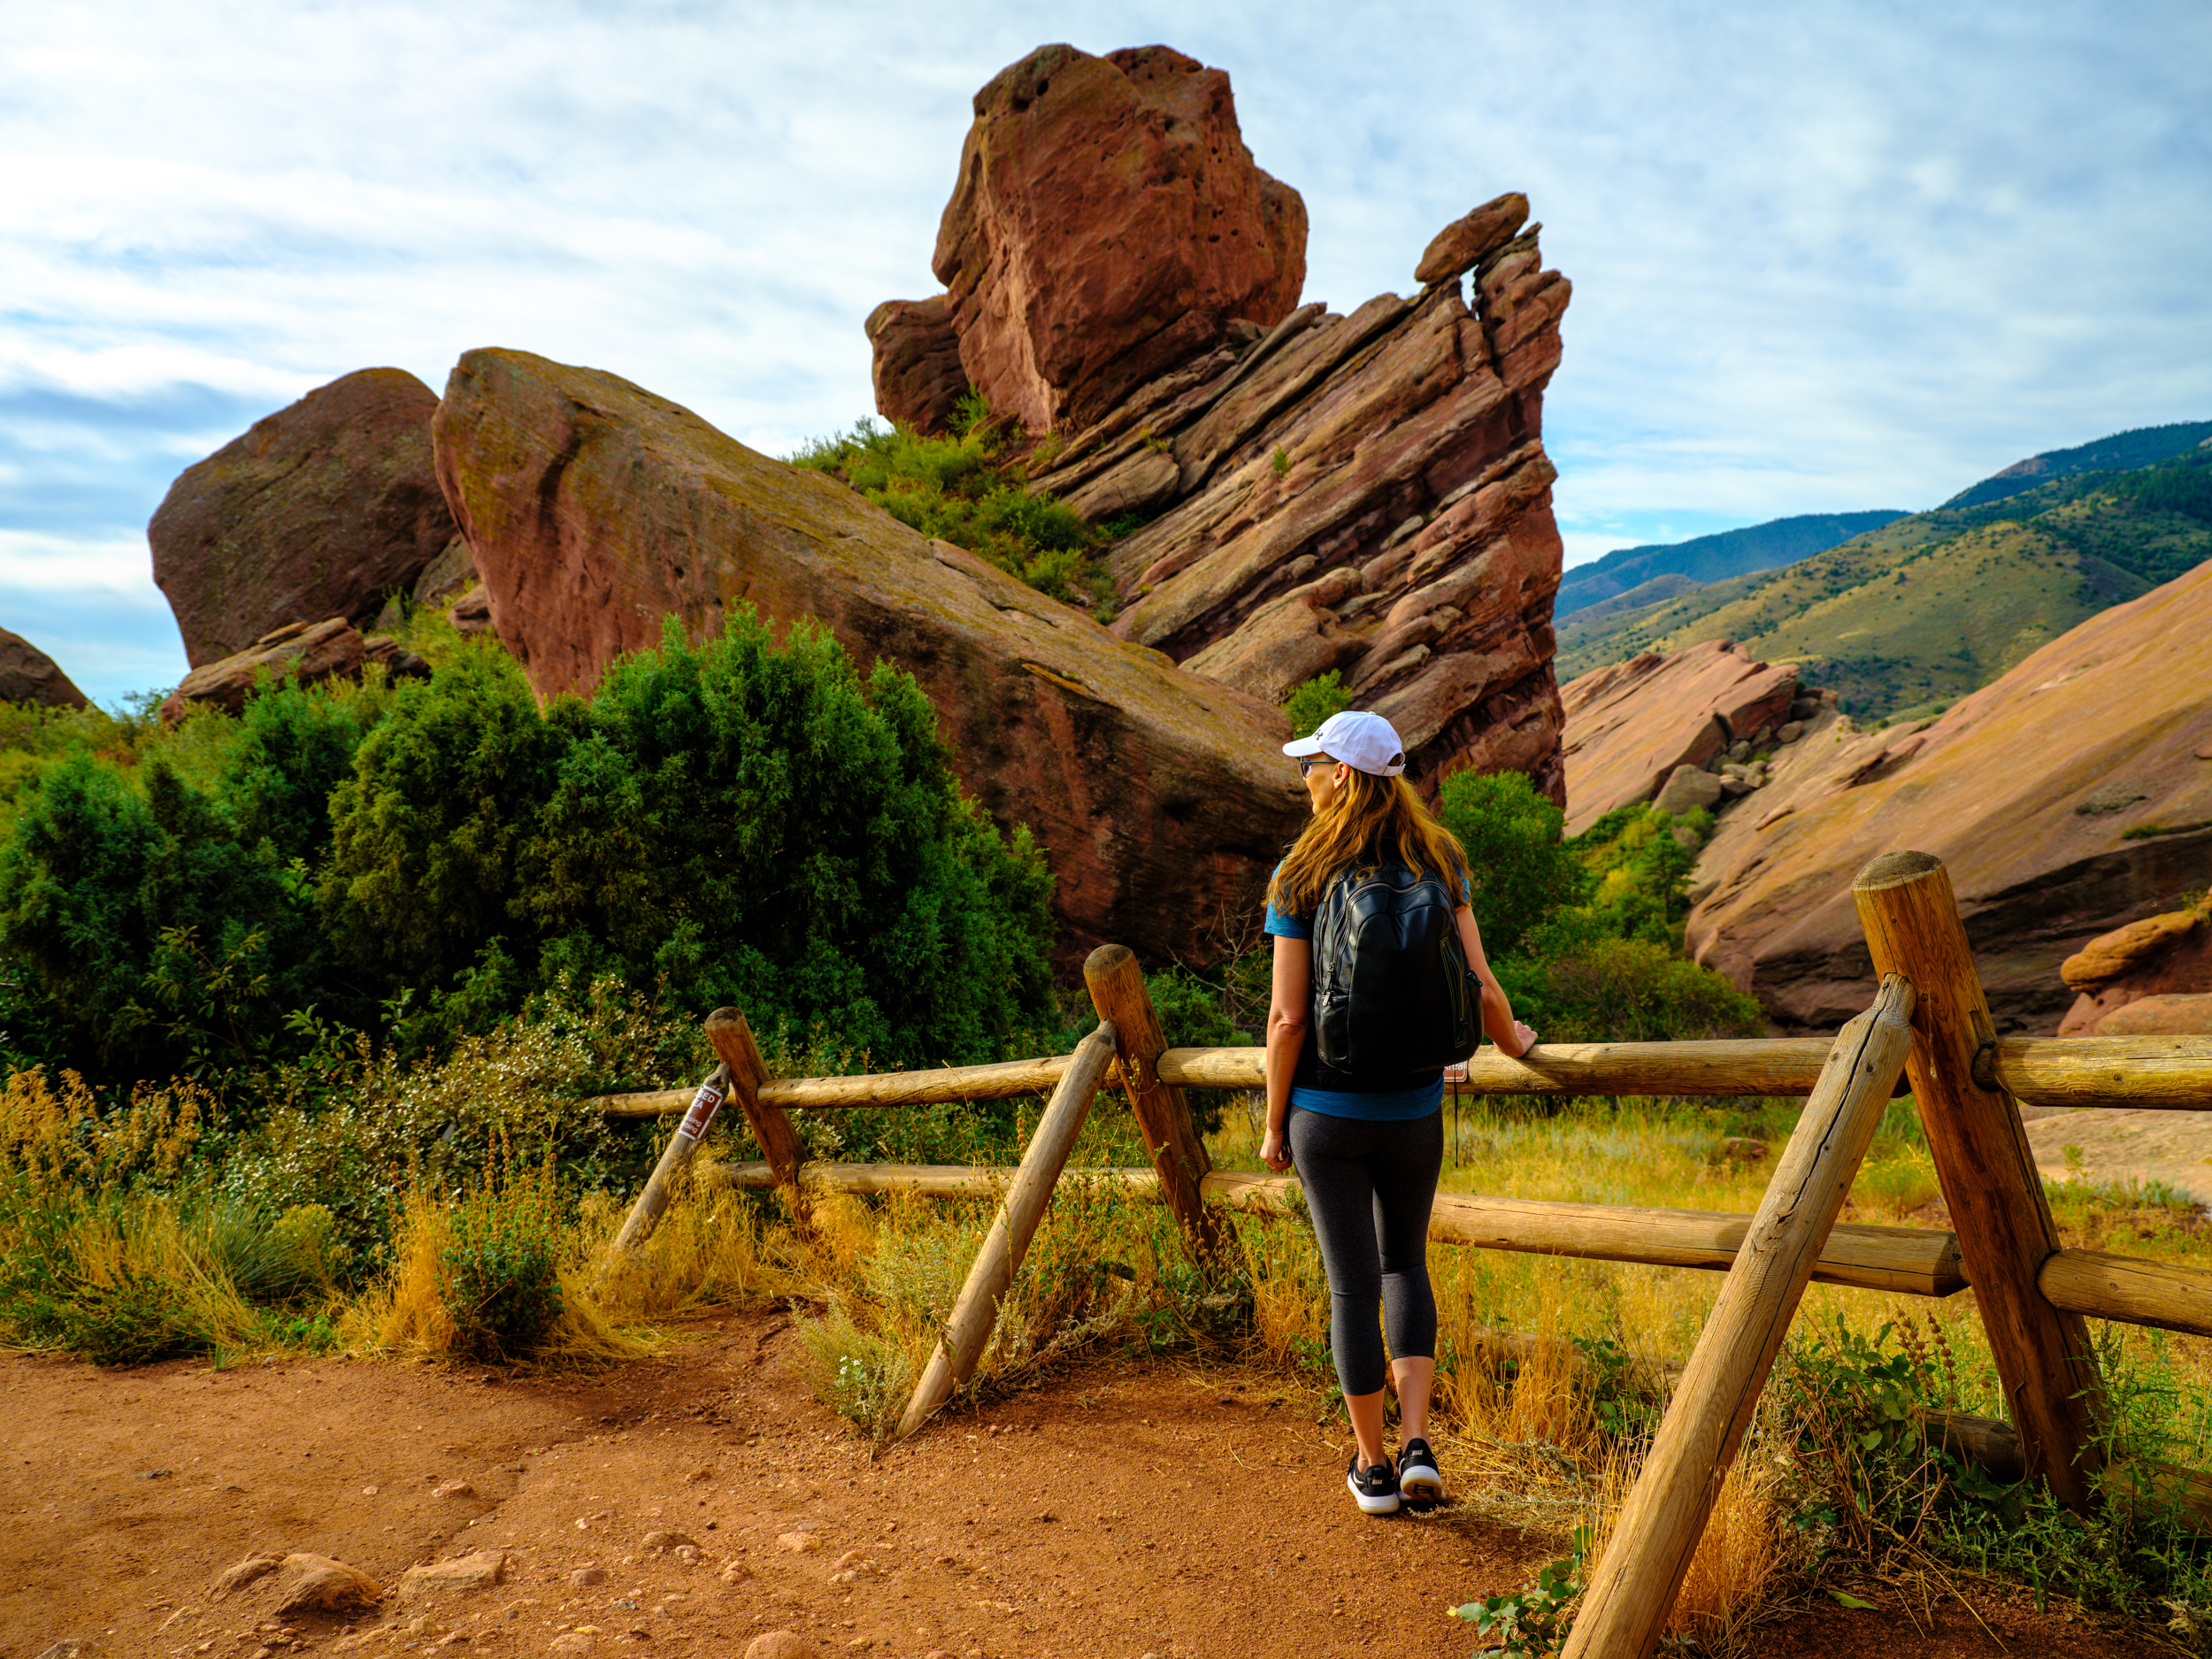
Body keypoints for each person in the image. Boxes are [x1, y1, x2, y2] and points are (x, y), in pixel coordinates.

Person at [1260, 709, 1537, 1516]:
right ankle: (1421, 1445)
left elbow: (1286, 1020)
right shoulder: (1438, 856)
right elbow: (1481, 984)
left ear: (1341, 774)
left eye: (1311, 762)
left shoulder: (1299, 872)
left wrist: (1275, 1123)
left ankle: (1373, 1466)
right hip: (1415, 1105)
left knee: (1352, 1288)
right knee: (1404, 1265)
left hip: (1324, 1109)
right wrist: (1515, 1044)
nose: (1304, 774)